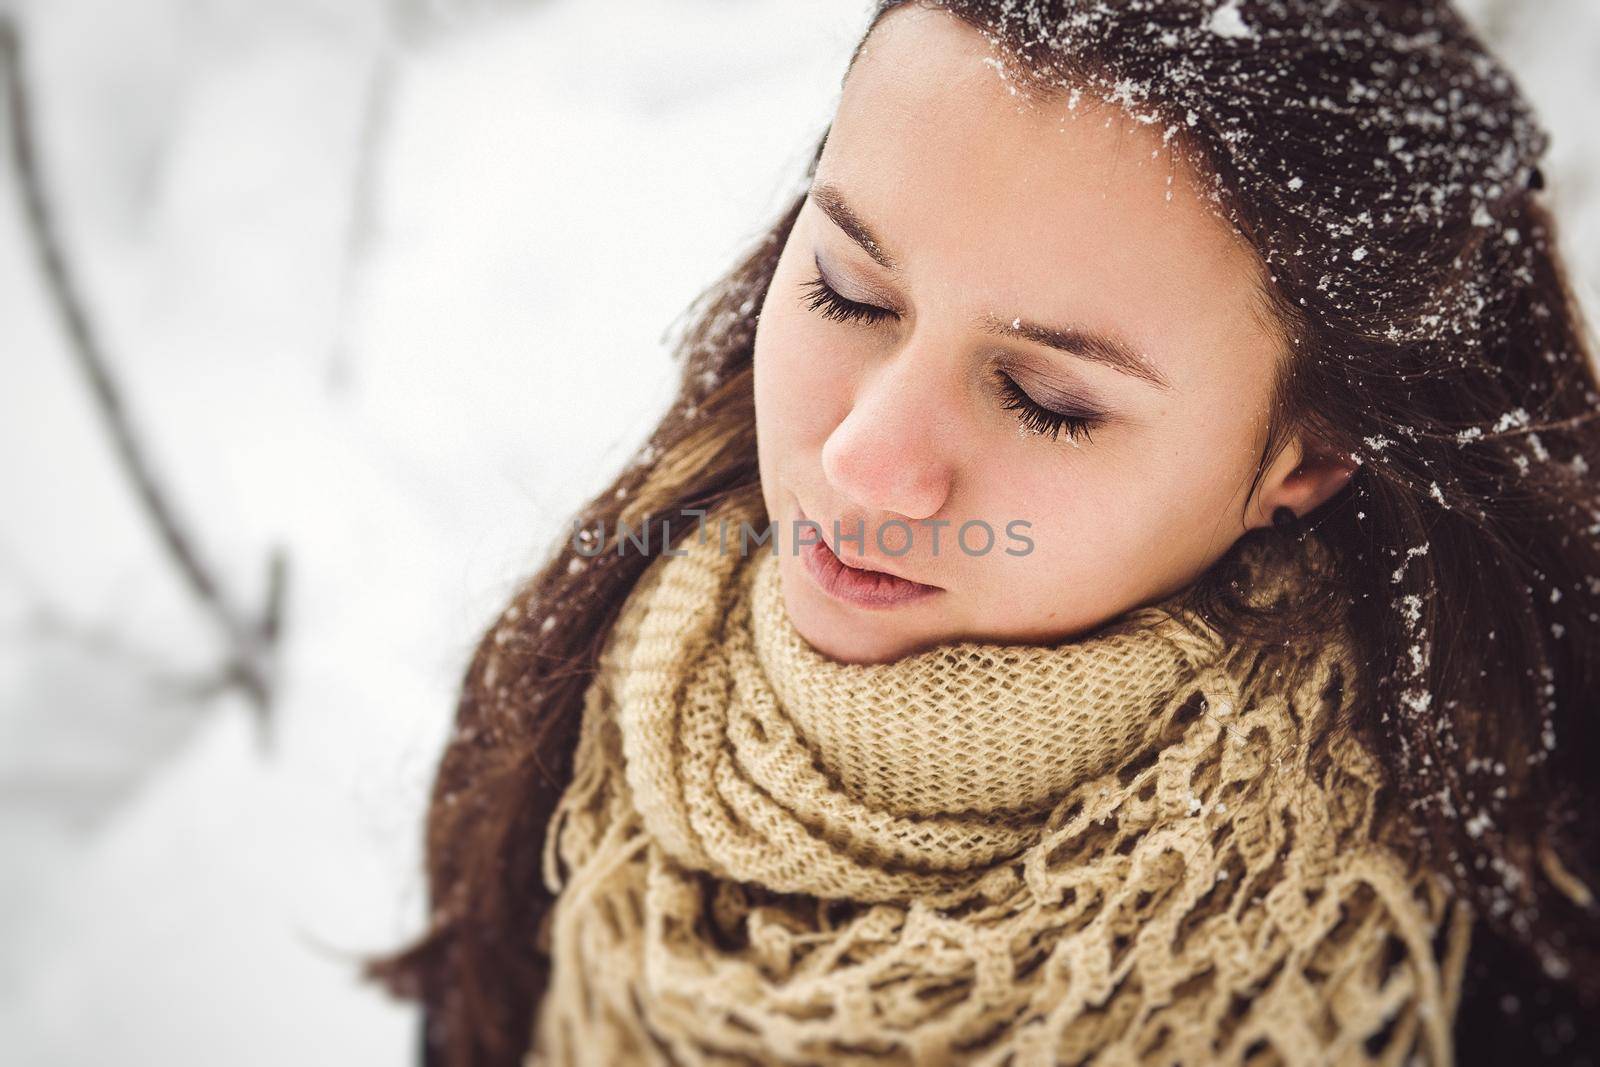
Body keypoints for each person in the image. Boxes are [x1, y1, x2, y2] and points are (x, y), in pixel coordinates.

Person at [364, 2, 1600, 1064]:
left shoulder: (1508, 948)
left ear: (1307, 461)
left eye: (1045, 400)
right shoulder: (582, 716)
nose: (861, 462)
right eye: (849, 291)